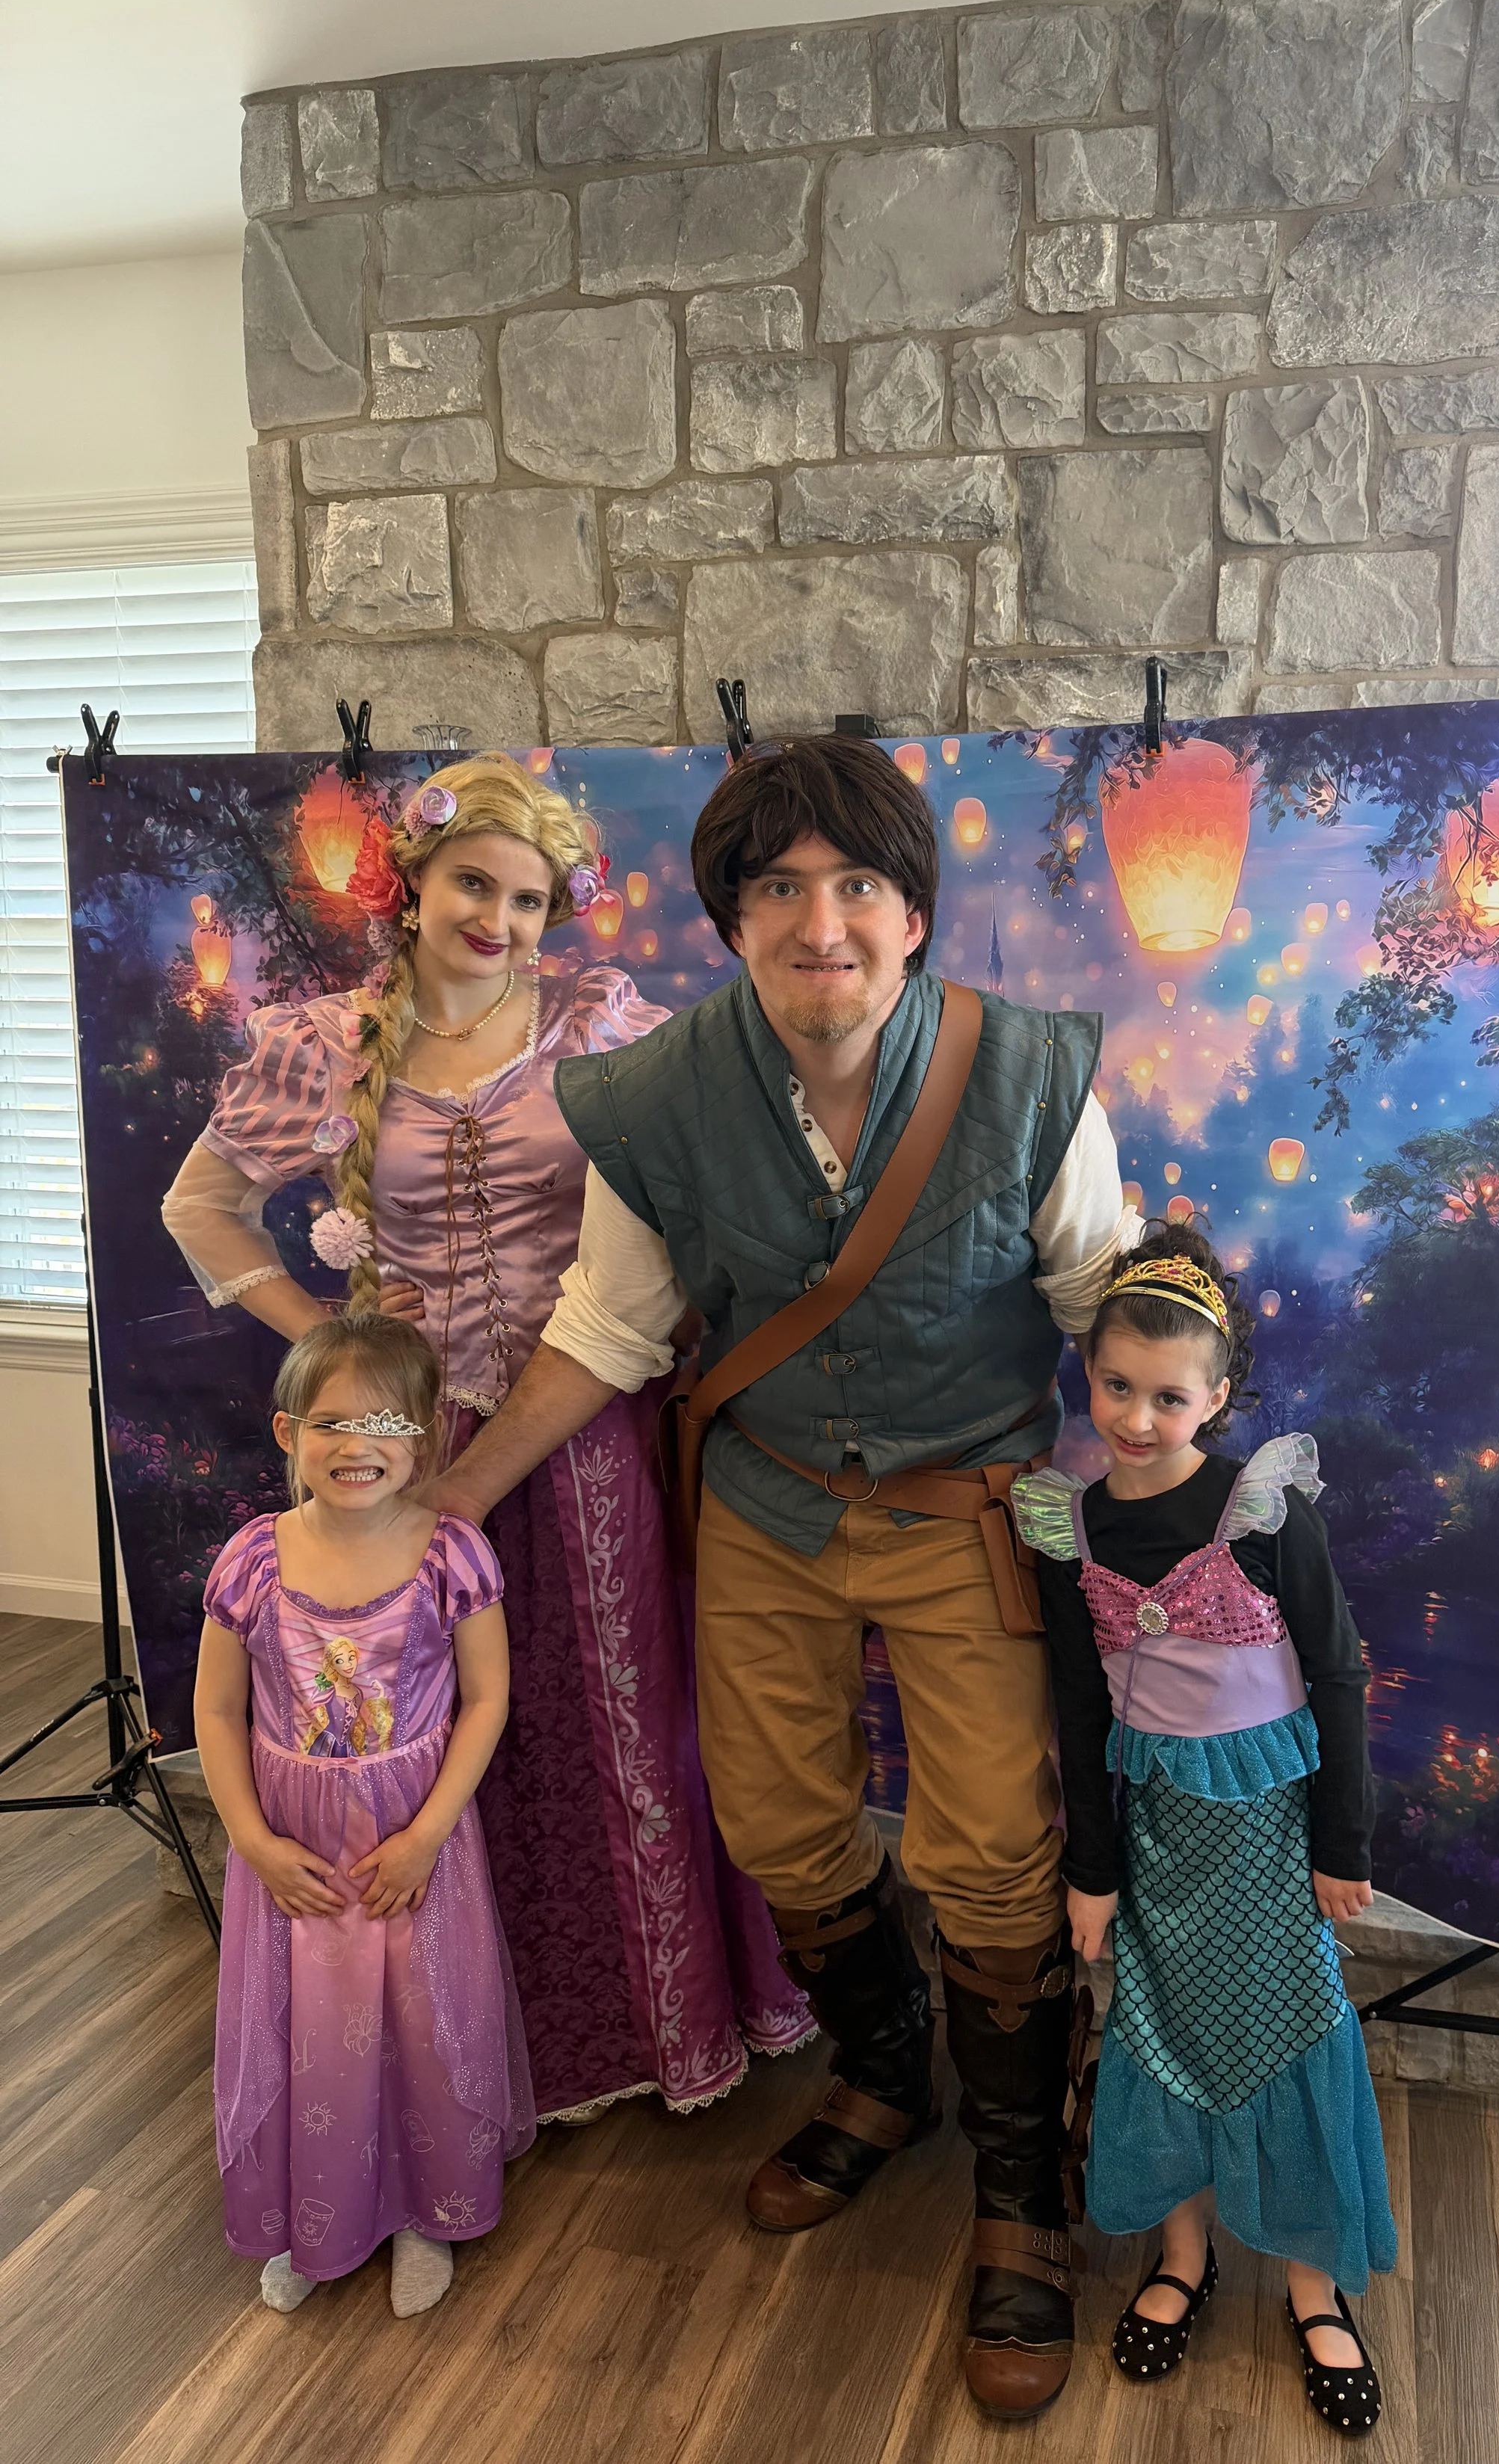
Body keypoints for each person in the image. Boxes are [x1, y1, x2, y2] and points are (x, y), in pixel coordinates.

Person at [425, 734, 1131, 2417]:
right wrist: (441, 1506)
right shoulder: (656, 1094)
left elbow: (1103, 1310)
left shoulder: (1033, 1074)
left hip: (969, 1508)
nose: (823, 921)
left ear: (911, 912)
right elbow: (604, 1329)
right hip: (764, 1508)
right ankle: (884, 2075)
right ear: (731, 919)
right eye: (779, 888)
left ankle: (1022, 2184)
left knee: (986, 1854)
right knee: (775, 1823)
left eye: (858, 886)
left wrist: (1162, 1530)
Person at [162, 752, 810, 2122]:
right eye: (474, 883)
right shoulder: (327, 1039)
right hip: (400, 1445)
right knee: (433, 1727)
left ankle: (637, 2029)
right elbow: (201, 1208)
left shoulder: (597, 1022)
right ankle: (452, 2044)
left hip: (579, 1425)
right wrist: (322, 1340)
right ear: (414, 885)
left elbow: (692, 1212)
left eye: (527, 900)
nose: (498, 921)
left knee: (613, 1715)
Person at [1012, 1221, 1396, 2438]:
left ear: (1217, 1396)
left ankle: (1312, 2280)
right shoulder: (1071, 1531)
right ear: (1089, 1377)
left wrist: (1344, 1845)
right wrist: (1092, 1871)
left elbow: (1336, 1674)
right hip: (1160, 1836)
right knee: (1157, 2027)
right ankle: (1182, 2255)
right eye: (1115, 1387)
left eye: (1167, 1396)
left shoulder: (1264, 1512)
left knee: (1287, 2027)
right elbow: (1079, 1708)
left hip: (1274, 1836)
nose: (1135, 1417)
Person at [192, 1313, 533, 2314]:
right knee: (308, 2028)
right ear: (288, 1433)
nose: (357, 1445)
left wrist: (426, 1835)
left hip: (412, 1840)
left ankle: (430, 2209)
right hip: (292, 1846)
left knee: (422, 2021)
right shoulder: (252, 1560)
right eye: (332, 1422)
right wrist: (253, 1841)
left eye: (385, 1422)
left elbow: (487, 1700)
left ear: (423, 1439)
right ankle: (316, 2215)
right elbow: (216, 1709)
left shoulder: (451, 1558)